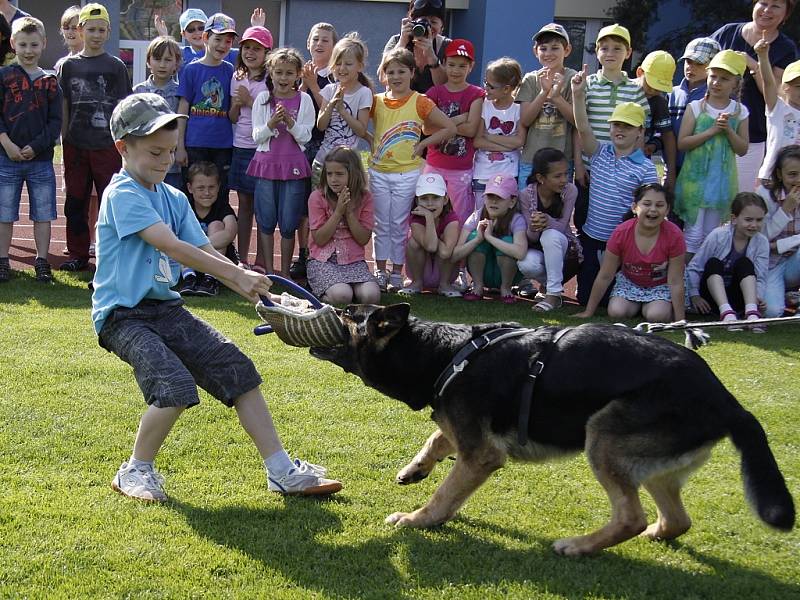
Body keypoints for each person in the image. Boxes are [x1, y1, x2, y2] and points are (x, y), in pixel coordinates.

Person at [94, 93, 341, 502]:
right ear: (123, 147)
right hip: (123, 316)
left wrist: (252, 287)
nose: (164, 160)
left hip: (165, 308)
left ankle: (281, 471)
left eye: (170, 151)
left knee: (237, 369)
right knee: (172, 386)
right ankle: (134, 470)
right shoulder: (123, 193)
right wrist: (235, 275)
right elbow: (172, 246)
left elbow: (206, 250)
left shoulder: (173, 198)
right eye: (155, 151)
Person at [368, 47, 455, 291]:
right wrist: (368, 139)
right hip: (379, 171)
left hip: (408, 173)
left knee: (398, 223)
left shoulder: (421, 101)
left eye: (401, 71)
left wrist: (423, 144)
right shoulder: (376, 101)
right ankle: (380, 269)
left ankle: (396, 272)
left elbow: (449, 127)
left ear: (412, 72)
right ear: (384, 74)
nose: (396, 77)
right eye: (391, 72)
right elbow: (361, 125)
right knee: (380, 223)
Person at [571, 65, 659, 306]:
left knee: (612, 302)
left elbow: (651, 208)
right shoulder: (600, 153)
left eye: (627, 126)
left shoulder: (646, 168)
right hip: (591, 237)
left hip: (621, 244)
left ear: (640, 132)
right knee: (586, 299)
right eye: (616, 125)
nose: (620, 130)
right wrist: (578, 94)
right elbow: (582, 128)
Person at [57, 3, 131, 272]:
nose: (96, 34)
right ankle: (78, 254)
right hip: (76, 145)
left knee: (110, 202)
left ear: (109, 31)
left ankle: (111, 255)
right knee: (75, 200)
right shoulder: (68, 67)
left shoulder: (116, 67)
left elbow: (124, 106)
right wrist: (65, 137)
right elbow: (64, 104)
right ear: (80, 30)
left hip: (107, 145)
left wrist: (123, 142)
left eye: (101, 30)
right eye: (91, 29)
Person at [712, 0, 798, 193]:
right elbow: (702, 69)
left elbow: (778, 94)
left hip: (752, 137)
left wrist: (754, 64)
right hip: (711, 131)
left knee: (739, 199)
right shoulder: (727, 32)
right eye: (763, 3)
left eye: (775, 6)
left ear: (786, 13)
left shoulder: (785, 48)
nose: (767, 10)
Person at [0, 16, 62, 284]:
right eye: (23, 44)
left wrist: (35, 147)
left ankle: (42, 261)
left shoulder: (50, 80)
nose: (28, 50)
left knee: (43, 212)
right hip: (6, 158)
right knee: (3, 212)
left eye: (34, 44)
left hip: (40, 160)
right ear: (13, 44)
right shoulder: (3, 76)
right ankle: (3, 261)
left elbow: (55, 122)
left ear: (44, 44)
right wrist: (7, 143)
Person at [573, 24, 650, 234]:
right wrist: (579, 166)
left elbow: (641, 131)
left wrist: (636, 165)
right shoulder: (587, 84)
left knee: (619, 218)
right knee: (583, 217)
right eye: (604, 48)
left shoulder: (635, 89)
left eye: (617, 48)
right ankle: (585, 261)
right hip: (590, 167)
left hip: (623, 170)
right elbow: (580, 128)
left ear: (629, 53)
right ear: (597, 52)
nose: (610, 53)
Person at [675, 50, 750, 257]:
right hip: (694, 182)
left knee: (711, 234)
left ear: (735, 84)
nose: (716, 82)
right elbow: (683, 142)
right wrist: (712, 131)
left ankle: (704, 280)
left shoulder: (740, 111)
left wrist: (728, 131)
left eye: (724, 79)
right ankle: (687, 281)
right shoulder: (696, 107)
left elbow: (742, 149)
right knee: (692, 234)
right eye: (713, 77)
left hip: (721, 184)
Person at [577, 183, 686, 322]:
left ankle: (656, 307)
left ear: (667, 210)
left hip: (661, 285)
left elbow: (675, 281)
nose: (653, 210)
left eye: (659, 205)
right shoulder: (621, 233)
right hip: (630, 282)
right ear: (635, 207)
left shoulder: (674, 235)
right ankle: (641, 307)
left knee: (656, 315)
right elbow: (605, 275)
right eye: (647, 204)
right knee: (616, 312)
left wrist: (680, 320)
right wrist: (588, 311)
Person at [248, 48, 314, 276]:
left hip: (293, 167)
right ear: (271, 73)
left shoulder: (304, 100)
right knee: (265, 220)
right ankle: (269, 272)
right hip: (266, 165)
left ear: (298, 75)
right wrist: (271, 124)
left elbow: (306, 136)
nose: (283, 78)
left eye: (289, 73)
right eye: (279, 73)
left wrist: (290, 122)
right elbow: (256, 136)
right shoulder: (263, 100)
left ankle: (285, 274)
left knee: (288, 223)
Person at [291, 22, 339, 280]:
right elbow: (294, 107)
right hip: (302, 144)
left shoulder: (335, 75)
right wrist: (304, 84)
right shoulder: (299, 72)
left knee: (322, 202)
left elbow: (329, 115)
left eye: (325, 40)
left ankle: (323, 254)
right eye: (315, 39)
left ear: (334, 46)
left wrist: (313, 85)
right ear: (308, 43)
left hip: (325, 145)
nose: (319, 44)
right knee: (302, 205)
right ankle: (303, 253)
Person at [176, 13, 236, 205]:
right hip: (194, 145)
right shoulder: (191, 70)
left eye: (228, 41)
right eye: (218, 39)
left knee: (219, 197)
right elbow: (183, 109)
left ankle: (218, 234)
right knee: (192, 195)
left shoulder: (231, 71)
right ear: (205, 38)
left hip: (223, 145)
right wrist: (180, 146)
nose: (222, 45)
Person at [307, 146, 380, 304]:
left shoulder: (365, 198)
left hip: (353, 261)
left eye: (339, 174)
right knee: (342, 295)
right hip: (323, 262)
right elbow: (319, 239)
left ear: (352, 174)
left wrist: (348, 213)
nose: (333, 179)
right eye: (329, 174)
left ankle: (346, 293)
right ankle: (320, 296)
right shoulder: (317, 197)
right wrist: (338, 212)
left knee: (371, 296)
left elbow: (363, 239)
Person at [686, 192, 769, 332]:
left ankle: (752, 314)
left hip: (738, 295)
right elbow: (695, 267)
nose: (754, 225)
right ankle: (726, 314)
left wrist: (757, 297)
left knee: (745, 263)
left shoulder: (762, 242)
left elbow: (760, 276)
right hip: (713, 296)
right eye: (748, 220)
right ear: (734, 219)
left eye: (759, 220)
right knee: (713, 263)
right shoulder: (718, 235)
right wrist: (694, 295)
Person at [423, 38, 484, 223]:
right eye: (451, 65)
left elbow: (472, 129)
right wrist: (458, 119)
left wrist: (442, 126)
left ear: (471, 66)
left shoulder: (476, 94)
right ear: (443, 64)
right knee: (428, 211)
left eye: (462, 66)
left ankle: (456, 250)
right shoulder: (434, 93)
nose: (456, 70)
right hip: (434, 165)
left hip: (461, 169)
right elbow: (426, 129)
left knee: (459, 215)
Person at [229, 26, 272, 272]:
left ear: (267, 52)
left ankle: (262, 261)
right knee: (244, 204)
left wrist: (249, 101)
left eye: (257, 48)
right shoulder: (237, 77)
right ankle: (242, 258)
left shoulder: (270, 79)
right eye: (247, 48)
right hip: (241, 146)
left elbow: (270, 113)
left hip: (263, 148)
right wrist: (237, 105)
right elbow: (233, 117)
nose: (250, 53)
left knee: (263, 205)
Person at [516, 148, 581, 312]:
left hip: (567, 252)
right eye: (557, 176)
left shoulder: (570, 190)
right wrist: (534, 225)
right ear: (541, 178)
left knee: (550, 235)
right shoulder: (525, 195)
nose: (564, 180)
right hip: (539, 251)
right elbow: (530, 238)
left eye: (566, 174)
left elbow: (562, 226)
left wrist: (548, 221)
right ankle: (548, 285)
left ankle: (553, 295)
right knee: (525, 263)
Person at [517, 23, 576, 190]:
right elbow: (525, 120)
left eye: (555, 48)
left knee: (557, 209)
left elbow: (576, 120)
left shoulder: (573, 78)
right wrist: (544, 93)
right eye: (543, 49)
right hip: (531, 161)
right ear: (536, 51)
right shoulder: (530, 79)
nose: (548, 53)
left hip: (562, 163)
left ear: (567, 50)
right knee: (528, 208)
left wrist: (556, 97)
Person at [452, 173, 527, 303]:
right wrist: (478, 240)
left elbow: (520, 253)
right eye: (490, 196)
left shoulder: (517, 219)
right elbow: (455, 255)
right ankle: (478, 286)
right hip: (485, 273)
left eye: (500, 197)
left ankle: (506, 288)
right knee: (475, 236)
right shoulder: (477, 216)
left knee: (508, 241)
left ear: (512, 202)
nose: (493, 201)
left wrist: (489, 237)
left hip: (509, 274)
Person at [473, 57, 526, 210]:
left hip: (508, 172)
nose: (485, 89)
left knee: (505, 217)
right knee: (480, 214)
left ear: (506, 89)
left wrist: (488, 136)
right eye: (485, 83)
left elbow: (519, 142)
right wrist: (508, 144)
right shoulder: (484, 105)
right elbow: (477, 142)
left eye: (491, 86)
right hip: (483, 172)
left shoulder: (518, 109)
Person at [179, 161, 238, 297]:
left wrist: (194, 247)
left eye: (211, 187)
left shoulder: (222, 207)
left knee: (216, 225)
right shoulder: (185, 206)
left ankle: (210, 279)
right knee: (182, 227)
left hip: (216, 259)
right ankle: (189, 277)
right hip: (189, 261)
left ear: (218, 187)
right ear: (190, 188)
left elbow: (230, 233)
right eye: (200, 188)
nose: (206, 192)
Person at [398, 172, 461, 297]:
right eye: (424, 198)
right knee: (413, 242)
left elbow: (445, 253)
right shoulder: (415, 219)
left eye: (435, 197)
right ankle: (417, 283)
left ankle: (444, 284)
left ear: (445, 199)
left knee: (452, 243)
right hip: (422, 272)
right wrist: (429, 218)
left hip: (445, 273)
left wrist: (429, 218)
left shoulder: (451, 218)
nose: (430, 203)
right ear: (417, 200)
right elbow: (431, 247)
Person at [133, 36, 182, 189]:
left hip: (171, 163)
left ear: (176, 64)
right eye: (157, 59)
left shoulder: (180, 92)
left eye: (168, 60)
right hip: (145, 159)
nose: (162, 64)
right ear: (148, 62)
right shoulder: (138, 91)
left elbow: (182, 125)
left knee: (170, 202)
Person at [757, 144, 800, 316]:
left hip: (795, 261)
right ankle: (788, 298)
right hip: (770, 264)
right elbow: (760, 238)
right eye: (792, 175)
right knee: (772, 312)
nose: (798, 180)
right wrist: (785, 210)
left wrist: (779, 245)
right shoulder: (765, 195)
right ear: (779, 175)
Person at [669, 37, 721, 176]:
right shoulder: (672, 93)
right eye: (688, 61)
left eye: (698, 63)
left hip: (704, 169)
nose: (690, 67)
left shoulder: (716, 96)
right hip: (674, 166)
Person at [755, 32, 800, 185]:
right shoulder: (778, 108)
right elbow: (768, 82)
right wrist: (762, 56)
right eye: (798, 87)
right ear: (785, 87)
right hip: (770, 179)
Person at [382, 0, 451, 93]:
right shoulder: (396, 41)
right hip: (402, 103)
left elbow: (448, 85)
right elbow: (383, 78)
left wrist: (432, 57)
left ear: (442, 27)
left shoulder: (447, 46)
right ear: (411, 21)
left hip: (434, 105)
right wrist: (402, 43)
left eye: (433, 22)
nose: (428, 27)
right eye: (422, 21)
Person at [636, 51, 678, 191]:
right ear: (640, 72)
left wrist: (670, 173)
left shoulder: (659, 101)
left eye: (659, 88)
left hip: (640, 162)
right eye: (650, 84)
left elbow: (667, 135)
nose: (653, 90)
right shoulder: (624, 90)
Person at [54, 5, 82, 71]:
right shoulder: (61, 64)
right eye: (66, 28)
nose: (70, 32)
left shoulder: (93, 61)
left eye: (74, 28)